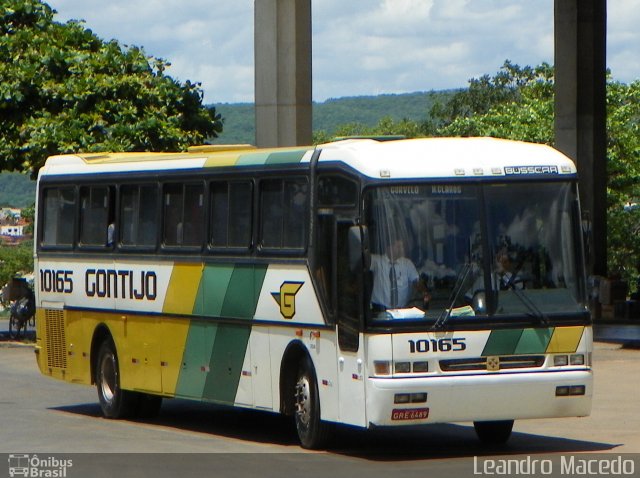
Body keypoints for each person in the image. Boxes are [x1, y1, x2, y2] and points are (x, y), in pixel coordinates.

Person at [370, 238, 429, 310]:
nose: (402, 249)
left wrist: (424, 291)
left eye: (402, 247)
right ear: (389, 248)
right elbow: (358, 262)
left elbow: (416, 281)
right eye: (398, 247)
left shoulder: (407, 264)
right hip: (379, 309)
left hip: (401, 311)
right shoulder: (376, 261)